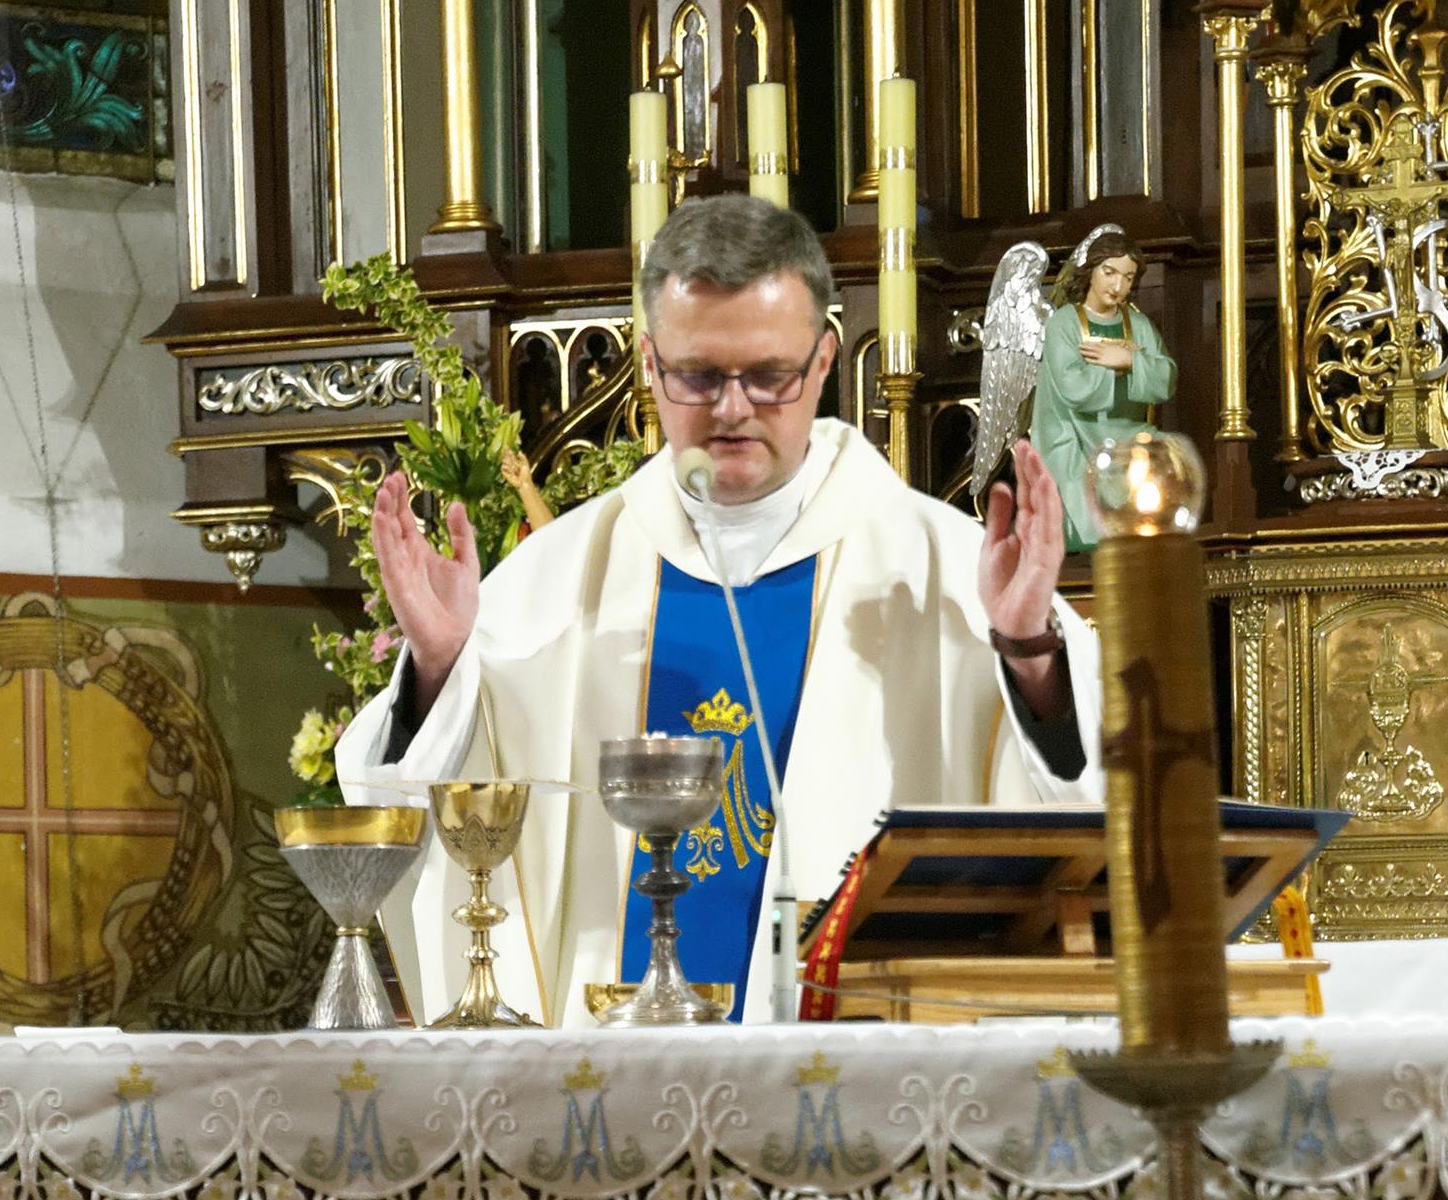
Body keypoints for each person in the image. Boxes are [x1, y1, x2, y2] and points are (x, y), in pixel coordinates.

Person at [336, 194, 1104, 1025]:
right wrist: (439, 670)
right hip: (608, 1076)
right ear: (649, 364)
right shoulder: (558, 578)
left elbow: (1084, 814)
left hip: (863, 1065)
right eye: (699, 375)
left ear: (824, 361)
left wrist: (1028, 653)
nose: (733, 408)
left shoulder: (942, 567)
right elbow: (421, 808)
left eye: (769, 376)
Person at [1030, 224, 1178, 550]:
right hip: (1074, 433)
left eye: (1127, 277)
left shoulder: (1137, 324)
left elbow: (1166, 378)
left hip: (1129, 435)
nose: (1117, 285)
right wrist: (1116, 366)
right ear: (1092, 270)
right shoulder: (1065, 323)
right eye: (1109, 272)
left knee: (1169, 458)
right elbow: (1072, 387)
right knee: (1079, 479)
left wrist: (1129, 361)